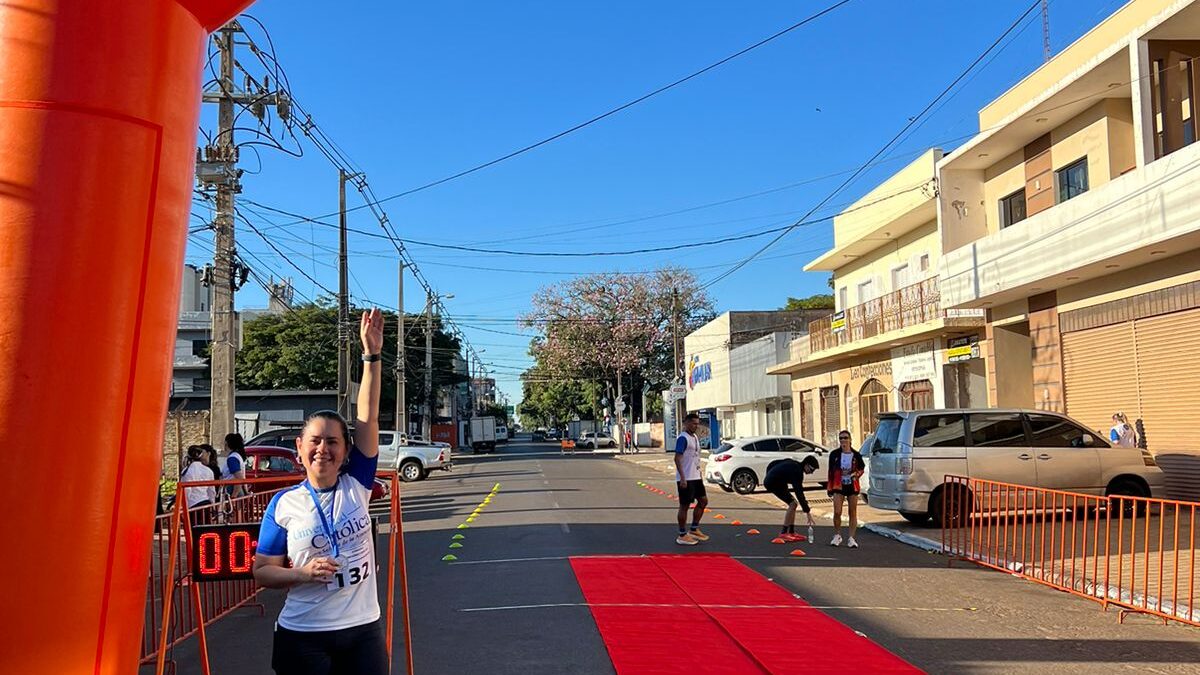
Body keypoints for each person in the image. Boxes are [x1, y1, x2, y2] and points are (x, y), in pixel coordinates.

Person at [253, 309, 387, 675]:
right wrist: (303, 573)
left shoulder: (357, 483)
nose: (323, 449)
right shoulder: (283, 504)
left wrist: (371, 356)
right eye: (315, 441)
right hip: (304, 635)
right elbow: (263, 572)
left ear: (346, 450)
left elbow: (368, 416)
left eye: (333, 441)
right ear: (299, 447)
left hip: (363, 632)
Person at [763, 456, 819, 542]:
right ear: (806, 465)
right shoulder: (797, 472)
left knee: (793, 503)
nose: (811, 472)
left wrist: (769, 474)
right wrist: (807, 510)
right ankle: (784, 532)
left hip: (776, 481)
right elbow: (799, 492)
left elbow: (773, 463)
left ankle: (791, 531)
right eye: (811, 470)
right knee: (793, 503)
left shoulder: (794, 464)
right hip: (773, 483)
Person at [673, 412, 709, 546]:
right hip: (686, 477)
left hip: (695, 476)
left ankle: (694, 529)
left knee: (703, 501)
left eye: (697, 424)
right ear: (686, 423)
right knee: (684, 505)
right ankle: (682, 534)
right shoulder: (682, 438)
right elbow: (677, 458)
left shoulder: (694, 437)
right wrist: (682, 478)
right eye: (693, 423)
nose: (696, 426)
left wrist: (700, 474)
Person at [827, 430, 865, 548]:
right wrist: (829, 488)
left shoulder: (856, 455)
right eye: (841, 438)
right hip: (838, 485)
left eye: (845, 438)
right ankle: (837, 535)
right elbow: (830, 472)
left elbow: (861, 468)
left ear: (850, 440)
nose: (843, 440)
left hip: (852, 485)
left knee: (852, 512)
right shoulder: (834, 454)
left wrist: (854, 474)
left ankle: (851, 538)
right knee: (837, 511)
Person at [179, 445, 217, 511]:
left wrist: (183, 507)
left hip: (193, 505)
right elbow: (211, 491)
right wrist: (213, 505)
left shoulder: (187, 471)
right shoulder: (209, 470)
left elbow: (186, 491)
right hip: (206, 503)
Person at [222, 432, 248, 499]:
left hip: (232, 489)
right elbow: (242, 477)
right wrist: (246, 491)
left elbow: (239, 477)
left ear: (226, 443)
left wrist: (234, 495)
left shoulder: (232, 458)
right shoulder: (237, 456)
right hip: (238, 489)